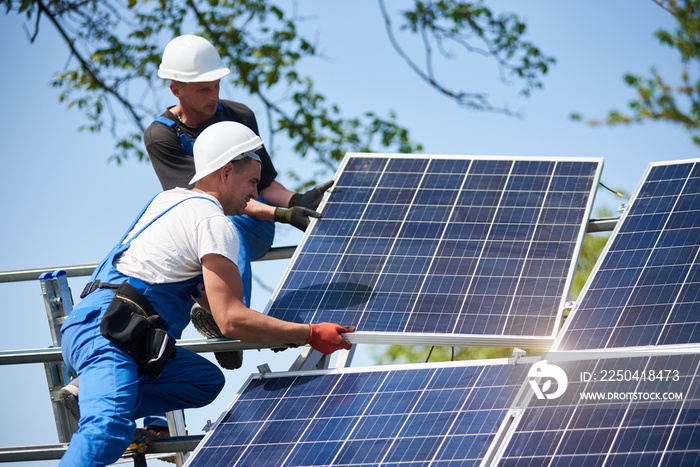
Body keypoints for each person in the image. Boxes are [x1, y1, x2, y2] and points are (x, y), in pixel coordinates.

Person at [58, 121, 353, 466]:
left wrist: (212, 306)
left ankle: (95, 392)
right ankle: (104, 399)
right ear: (227, 172)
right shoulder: (214, 223)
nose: (254, 194)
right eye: (253, 182)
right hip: (112, 336)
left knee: (204, 381)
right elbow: (230, 320)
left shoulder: (168, 200)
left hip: (99, 323)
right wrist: (310, 333)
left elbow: (161, 274)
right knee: (107, 430)